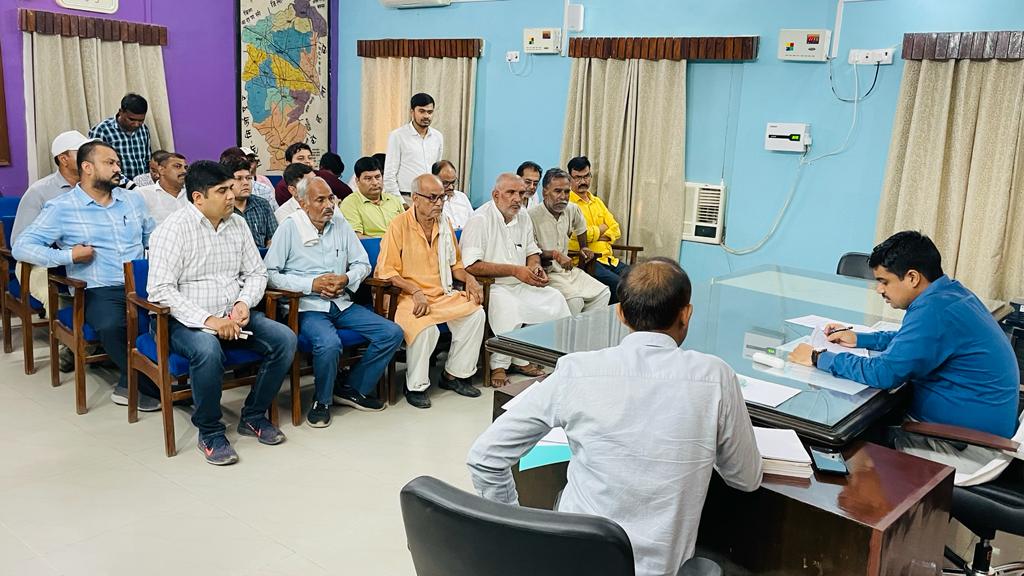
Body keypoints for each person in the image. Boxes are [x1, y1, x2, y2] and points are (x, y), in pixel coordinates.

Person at [467, 258, 761, 576]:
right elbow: (745, 479)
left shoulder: (577, 371)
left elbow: (485, 457)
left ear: (620, 313)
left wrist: (517, 534)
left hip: (570, 562)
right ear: (686, 314)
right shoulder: (716, 377)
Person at [789, 231, 1020, 480]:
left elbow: (884, 374)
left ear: (912, 277)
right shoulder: (950, 295)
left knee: (847, 439)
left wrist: (819, 358)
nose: (879, 289)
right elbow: (911, 338)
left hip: (964, 448)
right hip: (977, 432)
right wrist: (859, 339)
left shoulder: (934, 311)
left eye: (884, 281)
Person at [147, 160, 295, 465]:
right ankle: (210, 431)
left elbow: (256, 273)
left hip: (233, 314)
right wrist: (209, 321)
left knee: (285, 339)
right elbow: (161, 291)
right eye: (222, 190)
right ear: (198, 197)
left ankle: (253, 415)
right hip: (182, 322)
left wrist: (243, 303)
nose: (232, 195)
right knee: (207, 350)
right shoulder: (172, 230)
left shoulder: (237, 225)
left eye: (231, 188)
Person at [13, 140, 162, 411]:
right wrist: (69, 256)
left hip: (142, 283)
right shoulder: (62, 207)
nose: (118, 168)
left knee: (165, 321)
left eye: (118, 163)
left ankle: (131, 384)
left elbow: (153, 237)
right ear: (87, 167)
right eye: (110, 163)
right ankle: (152, 386)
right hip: (99, 287)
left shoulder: (132, 200)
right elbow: (22, 246)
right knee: (111, 326)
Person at [265, 177, 404, 428]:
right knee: (329, 343)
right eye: (320, 200)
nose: (329, 205)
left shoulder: (340, 224)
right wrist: (311, 284)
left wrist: (346, 278)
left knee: (391, 332)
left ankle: (351, 387)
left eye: (331, 198)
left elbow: (362, 263)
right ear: (303, 203)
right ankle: (322, 401)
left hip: (341, 301)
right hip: (306, 306)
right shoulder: (289, 227)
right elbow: (271, 274)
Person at [377, 174, 486, 409]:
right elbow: (386, 271)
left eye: (442, 198)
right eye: (432, 198)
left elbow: (456, 265)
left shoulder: (444, 224)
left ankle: (453, 375)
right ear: (415, 198)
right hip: (405, 296)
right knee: (424, 327)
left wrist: (470, 279)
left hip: (441, 293)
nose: (439, 203)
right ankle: (415, 386)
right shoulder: (398, 225)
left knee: (475, 314)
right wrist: (415, 290)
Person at [461, 173, 571, 387]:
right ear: (496, 195)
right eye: (511, 193)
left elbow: (532, 251)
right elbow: (471, 265)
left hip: (521, 282)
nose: (517, 199)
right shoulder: (480, 219)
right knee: (509, 308)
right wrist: (514, 270)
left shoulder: (523, 216)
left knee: (555, 299)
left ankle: (525, 357)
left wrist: (535, 266)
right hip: (492, 286)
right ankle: (499, 366)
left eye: (521, 193)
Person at [11, 131, 97, 315]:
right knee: (56, 301)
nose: (89, 157)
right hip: (43, 262)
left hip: (88, 255)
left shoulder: (96, 187)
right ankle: (64, 332)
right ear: (64, 159)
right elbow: (19, 242)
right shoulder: (39, 192)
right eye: (81, 153)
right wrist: (65, 254)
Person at [529, 168, 610, 315]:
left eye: (566, 192)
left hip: (568, 271)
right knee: (575, 301)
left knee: (603, 293)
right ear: (545, 192)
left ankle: (584, 327)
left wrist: (584, 247)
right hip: (547, 272)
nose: (563, 197)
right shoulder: (531, 216)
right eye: (557, 191)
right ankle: (568, 329)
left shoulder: (572, 209)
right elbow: (530, 252)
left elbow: (581, 227)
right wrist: (555, 255)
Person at [565, 156, 630, 300]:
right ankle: (612, 313)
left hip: (608, 259)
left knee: (638, 278)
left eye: (586, 176)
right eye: (578, 178)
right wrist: (601, 229)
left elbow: (616, 229)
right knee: (620, 285)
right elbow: (576, 235)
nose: (583, 181)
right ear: (569, 179)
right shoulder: (567, 204)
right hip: (586, 262)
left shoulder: (597, 201)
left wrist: (593, 234)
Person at [384, 93, 443, 203]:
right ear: (412, 112)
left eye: (430, 112)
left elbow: (437, 172)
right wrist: (401, 202)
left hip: (431, 198)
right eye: (422, 111)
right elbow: (389, 174)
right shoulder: (398, 136)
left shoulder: (438, 137)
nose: (426, 116)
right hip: (406, 197)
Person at [88, 93, 152, 181]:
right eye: (131, 119)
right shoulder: (102, 131)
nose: (136, 124)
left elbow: (147, 160)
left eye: (141, 120)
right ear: (121, 112)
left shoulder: (143, 129)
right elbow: (98, 165)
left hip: (142, 184)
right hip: (116, 185)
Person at [340, 156, 405, 238]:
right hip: (372, 245)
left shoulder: (394, 200)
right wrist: (387, 243)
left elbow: (407, 228)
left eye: (378, 177)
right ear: (357, 181)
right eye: (368, 178)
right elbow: (356, 237)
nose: (375, 182)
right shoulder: (350, 204)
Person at [222, 155, 276, 248]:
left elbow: (274, 238)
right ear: (227, 182)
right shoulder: (220, 208)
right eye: (239, 179)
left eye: (248, 178)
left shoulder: (262, 205)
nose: (246, 183)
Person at [137, 152, 188, 224]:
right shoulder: (143, 194)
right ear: (161, 170)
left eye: (185, 167)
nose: (184, 171)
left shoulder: (193, 192)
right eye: (177, 166)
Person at [433, 160, 473, 230]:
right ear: (434, 180)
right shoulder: (431, 201)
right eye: (446, 183)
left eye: (453, 182)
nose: (451, 187)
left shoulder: (462, 197)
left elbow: (473, 220)